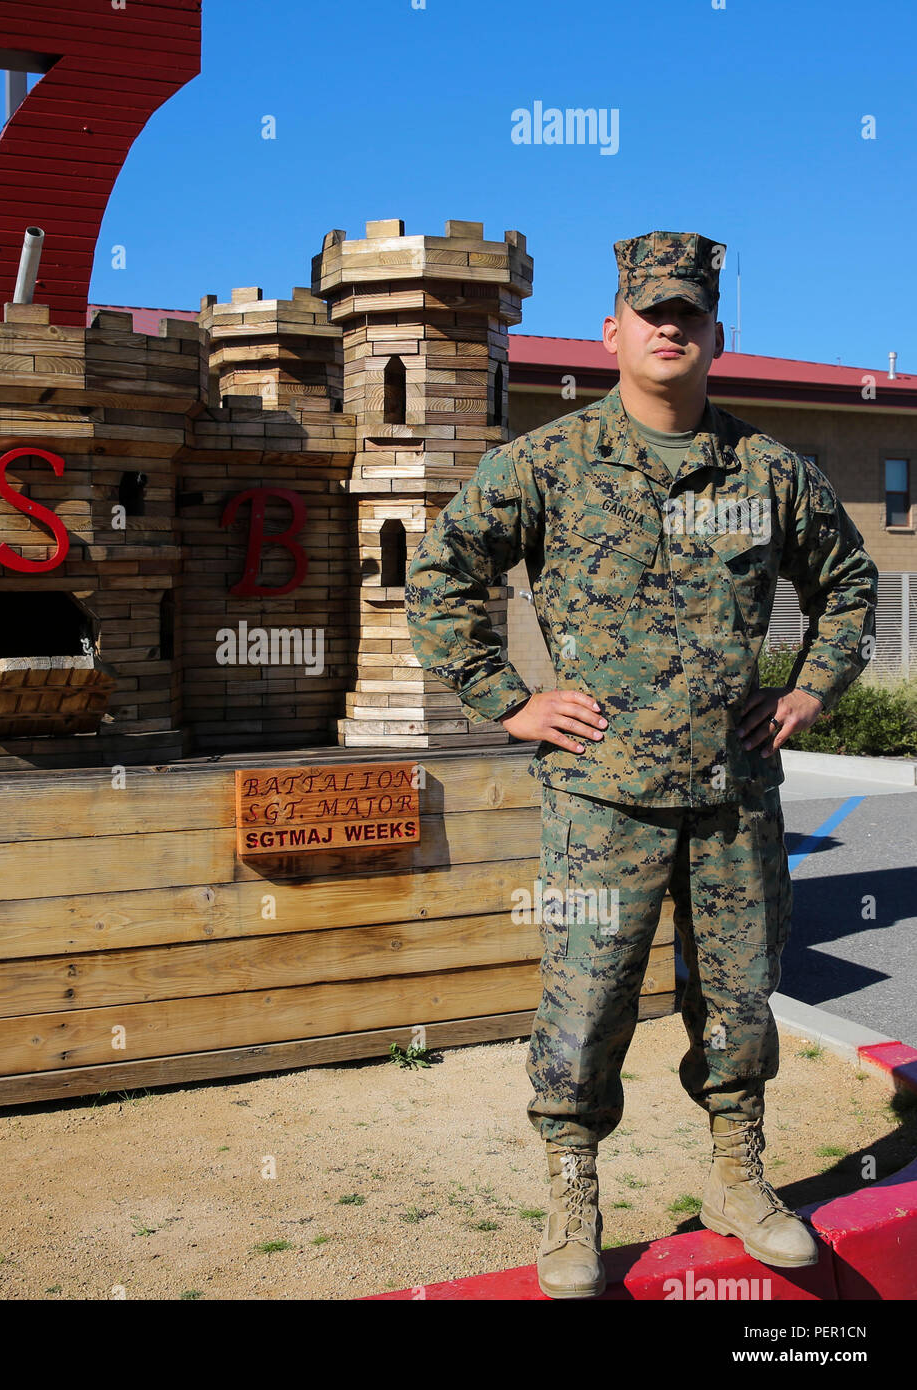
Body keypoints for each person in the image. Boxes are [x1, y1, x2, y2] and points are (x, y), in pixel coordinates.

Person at [404, 230, 878, 1299]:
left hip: (731, 795)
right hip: (598, 795)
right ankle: (573, 1193)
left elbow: (848, 586)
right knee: (585, 1004)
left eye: (689, 314)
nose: (669, 328)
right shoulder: (547, 464)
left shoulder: (767, 471)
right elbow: (437, 581)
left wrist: (809, 690)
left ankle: (737, 1176)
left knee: (740, 999)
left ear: (717, 333)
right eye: (650, 314)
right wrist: (510, 701)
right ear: (611, 331)